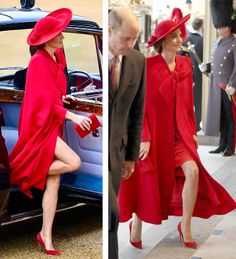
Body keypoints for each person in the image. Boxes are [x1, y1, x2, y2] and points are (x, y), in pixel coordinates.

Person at [118, 8, 236, 250]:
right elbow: (139, 106)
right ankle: (137, 222)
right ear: (162, 42)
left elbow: (187, 103)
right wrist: (145, 137)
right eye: (173, 37)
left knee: (192, 171)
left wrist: (192, 130)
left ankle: (186, 225)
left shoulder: (184, 64)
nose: (179, 39)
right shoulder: (147, 66)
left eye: (178, 35)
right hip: (154, 136)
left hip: (179, 135)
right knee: (147, 180)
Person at [9, 8, 92, 255]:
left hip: (50, 123)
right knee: (74, 162)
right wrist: (73, 115)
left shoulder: (53, 59)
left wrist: (63, 99)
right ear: (47, 38)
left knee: (53, 182)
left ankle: (46, 235)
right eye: (59, 34)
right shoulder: (38, 62)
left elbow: (50, 95)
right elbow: (41, 103)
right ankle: (25, 174)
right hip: (40, 127)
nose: (63, 37)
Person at [108, 7, 146, 259]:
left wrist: (131, 155)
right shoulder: (99, 55)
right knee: (112, 213)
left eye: (135, 39)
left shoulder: (137, 60)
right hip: (94, 147)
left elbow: (137, 111)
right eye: (126, 39)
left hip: (118, 153)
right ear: (110, 31)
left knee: (112, 219)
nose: (131, 44)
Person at [198, 0, 236, 156]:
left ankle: (230, 146)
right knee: (220, 117)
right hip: (216, 84)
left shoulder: (234, 43)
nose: (221, 30)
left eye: (224, 26)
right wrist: (206, 66)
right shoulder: (217, 42)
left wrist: (233, 84)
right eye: (219, 27)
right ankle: (222, 144)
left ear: (230, 26)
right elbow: (216, 62)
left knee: (230, 118)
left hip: (228, 86)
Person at [183, 18, 204, 132]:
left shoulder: (186, 39)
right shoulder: (202, 40)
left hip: (188, 73)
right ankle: (197, 124)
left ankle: (187, 123)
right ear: (201, 27)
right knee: (198, 100)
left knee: (187, 100)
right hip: (199, 74)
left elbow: (181, 55)